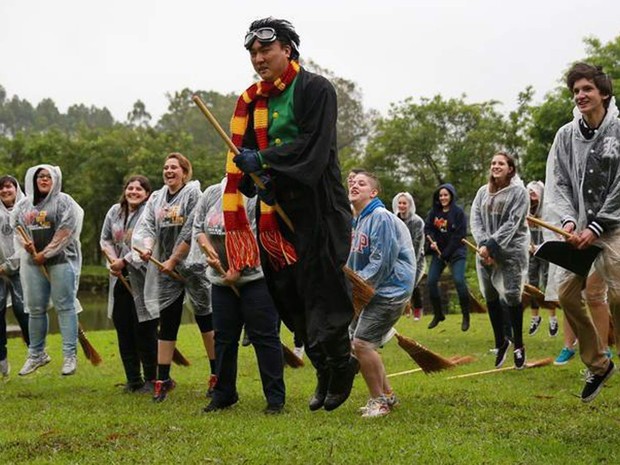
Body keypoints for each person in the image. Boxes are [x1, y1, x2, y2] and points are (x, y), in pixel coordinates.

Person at [230, 17, 357, 411]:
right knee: (289, 295)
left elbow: (313, 148)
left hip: (319, 207)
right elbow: (248, 159)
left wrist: (265, 158)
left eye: (265, 49)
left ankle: (341, 364)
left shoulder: (316, 89)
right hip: (277, 213)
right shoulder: (255, 102)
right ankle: (322, 368)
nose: (258, 57)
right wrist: (255, 176)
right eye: (253, 52)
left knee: (322, 292)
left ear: (287, 49)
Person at [544, 62, 618, 402]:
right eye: (575, 91)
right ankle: (598, 364)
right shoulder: (565, 135)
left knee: (616, 295)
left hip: (614, 228)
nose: (580, 96)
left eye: (587, 89)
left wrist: (597, 225)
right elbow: (557, 182)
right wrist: (570, 222)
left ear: (603, 92)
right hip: (579, 230)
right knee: (567, 294)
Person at [194, 178, 285, 414]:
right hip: (221, 280)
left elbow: (258, 234)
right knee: (223, 339)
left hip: (256, 279)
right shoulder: (213, 192)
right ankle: (224, 394)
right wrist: (208, 249)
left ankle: (275, 399)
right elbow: (198, 228)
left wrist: (239, 267)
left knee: (264, 338)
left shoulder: (254, 193)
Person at [132, 153, 215, 402]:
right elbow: (146, 226)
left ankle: (216, 375)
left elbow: (192, 230)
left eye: (174, 168)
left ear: (185, 172)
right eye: (165, 167)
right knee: (167, 323)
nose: (169, 171)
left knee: (205, 321)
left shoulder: (193, 194)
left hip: (193, 267)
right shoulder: (156, 198)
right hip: (166, 269)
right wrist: (146, 247)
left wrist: (174, 260)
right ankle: (163, 379)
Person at [348, 172, 415, 417]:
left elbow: (383, 261)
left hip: (390, 290)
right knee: (360, 342)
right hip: (373, 290)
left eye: (362, 183)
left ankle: (379, 402)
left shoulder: (380, 217)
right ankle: (387, 395)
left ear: (373, 193)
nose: (355, 185)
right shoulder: (359, 220)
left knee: (362, 343)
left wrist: (357, 287)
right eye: (353, 183)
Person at [11, 165, 83, 376]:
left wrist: (48, 252)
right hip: (33, 263)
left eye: (48, 176)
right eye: (39, 176)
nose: (43, 179)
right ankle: (36, 354)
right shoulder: (24, 204)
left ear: (55, 179)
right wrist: (23, 243)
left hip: (61, 261)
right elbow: (15, 224)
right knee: (34, 308)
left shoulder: (64, 201)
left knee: (65, 306)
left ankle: (70, 355)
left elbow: (66, 230)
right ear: (33, 179)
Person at [470, 152, 530, 369]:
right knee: (490, 294)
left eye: (501, 163)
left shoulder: (519, 193)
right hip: (484, 251)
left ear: (510, 168)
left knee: (513, 296)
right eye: (493, 162)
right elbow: (475, 219)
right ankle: (501, 341)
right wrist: (483, 245)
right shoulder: (482, 192)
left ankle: (519, 345)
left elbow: (513, 223)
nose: (496, 166)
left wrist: (491, 246)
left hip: (511, 251)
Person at [101, 175, 158, 393]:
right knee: (123, 326)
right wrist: (113, 258)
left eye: (139, 189)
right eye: (130, 188)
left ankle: (153, 379)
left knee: (144, 329)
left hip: (143, 277)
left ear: (147, 194)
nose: (134, 192)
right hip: (119, 277)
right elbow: (105, 238)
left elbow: (146, 243)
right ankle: (133, 379)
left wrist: (124, 261)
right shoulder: (114, 212)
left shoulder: (148, 212)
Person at [424, 183, 471, 331]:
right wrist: (432, 241)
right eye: (441, 195)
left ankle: (466, 316)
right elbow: (428, 228)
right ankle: (438, 314)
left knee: (458, 280)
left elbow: (459, 236)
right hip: (439, 253)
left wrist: (446, 254)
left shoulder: (458, 213)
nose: (443, 198)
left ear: (451, 196)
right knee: (431, 282)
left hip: (456, 253)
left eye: (446, 195)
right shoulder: (434, 212)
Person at [0, 175, 30, 376]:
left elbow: (30, 241)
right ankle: (1, 360)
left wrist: (10, 265)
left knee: (22, 310)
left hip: (22, 269)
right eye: (1, 188)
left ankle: (35, 349)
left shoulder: (27, 209)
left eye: (8, 187)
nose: (4, 191)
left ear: (16, 188)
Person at [554, 271, 611, 365]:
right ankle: (568, 347)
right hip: (570, 258)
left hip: (597, 258)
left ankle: (603, 349)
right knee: (567, 298)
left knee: (595, 295)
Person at [525, 181, 559, 337]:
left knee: (547, 283)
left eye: (534, 193)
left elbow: (552, 231)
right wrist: (530, 245)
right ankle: (535, 317)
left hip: (545, 250)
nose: (532, 196)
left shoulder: (547, 210)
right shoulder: (525, 210)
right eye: (529, 193)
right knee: (532, 284)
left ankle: (553, 318)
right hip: (531, 251)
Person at [392, 192, 425, 320]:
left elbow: (418, 243)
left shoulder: (417, 222)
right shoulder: (394, 219)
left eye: (404, 203)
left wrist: (412, 262)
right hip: (398, 258)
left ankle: (417, 309)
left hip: (416, 258)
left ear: (409, 205)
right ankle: (404, 309)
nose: (401, 205)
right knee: (399, 285)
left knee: (413, 284)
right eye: (399, 203)